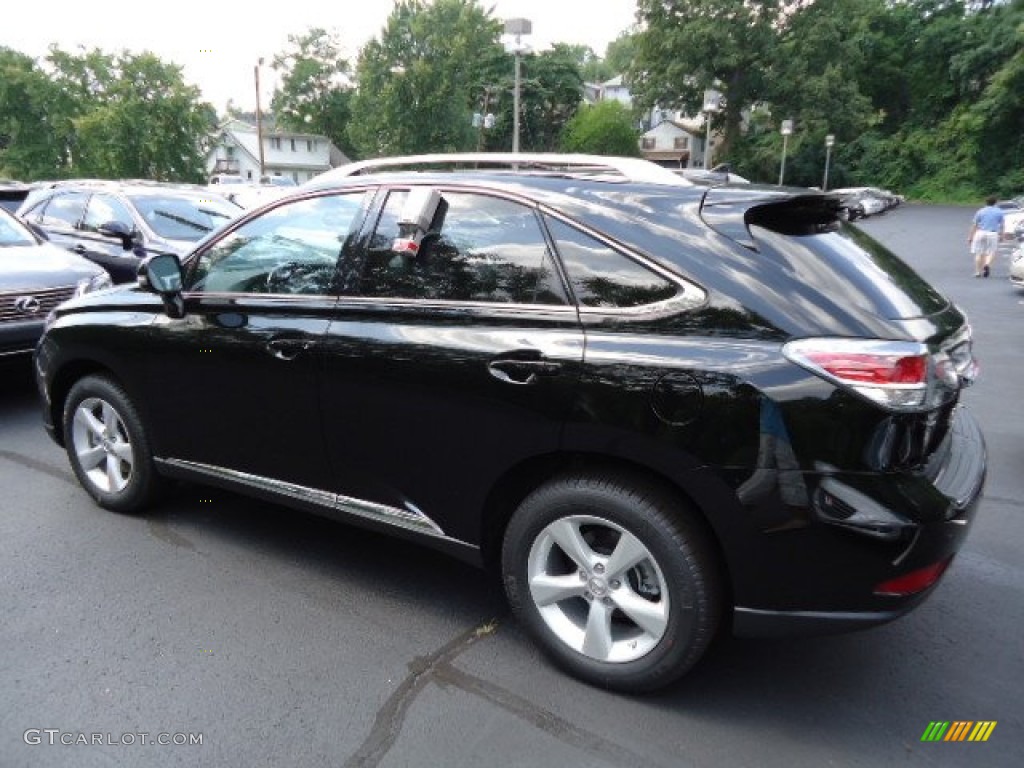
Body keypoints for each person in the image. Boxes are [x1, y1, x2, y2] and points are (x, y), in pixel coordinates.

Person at [967, 195, 1005, 278]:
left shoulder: (980, 211)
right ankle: (987, 264)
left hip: (980, 232)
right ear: (995, 202)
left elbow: (974, 225)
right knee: (991, 252)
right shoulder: (999, 212)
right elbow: (1002, 225)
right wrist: (1002, 235)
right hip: (992, 233)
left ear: (986, 202)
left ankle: (977, 272)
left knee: (978, 253)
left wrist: (970, 236)